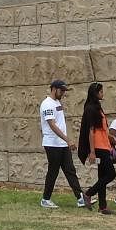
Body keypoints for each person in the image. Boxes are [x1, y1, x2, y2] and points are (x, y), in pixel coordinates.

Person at [39, 80, 85, 209]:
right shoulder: (47, 104)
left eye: (64, 90)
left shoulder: (57, 102)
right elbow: (52, 125)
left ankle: (80, 198)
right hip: (52, 144)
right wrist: (68, 139)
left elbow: (60, 123)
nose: (63, 93)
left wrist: (66, 141)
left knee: (70, 170)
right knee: (53, 171)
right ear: (54, 89)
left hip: (62, 144)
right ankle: (45, 199)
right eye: (62, 90)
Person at [78, 82, 116, 215]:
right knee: (111, 174)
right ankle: (89, 193)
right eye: (101, 92)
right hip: (98, 147)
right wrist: (92, 151)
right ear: (95, 93)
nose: (103, 94)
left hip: (104, 145)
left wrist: (112, 140)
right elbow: (90, 130)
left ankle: (102, 206)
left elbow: (103, 129)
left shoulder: (98, 108)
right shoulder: (90, 108)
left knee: (102, 176)